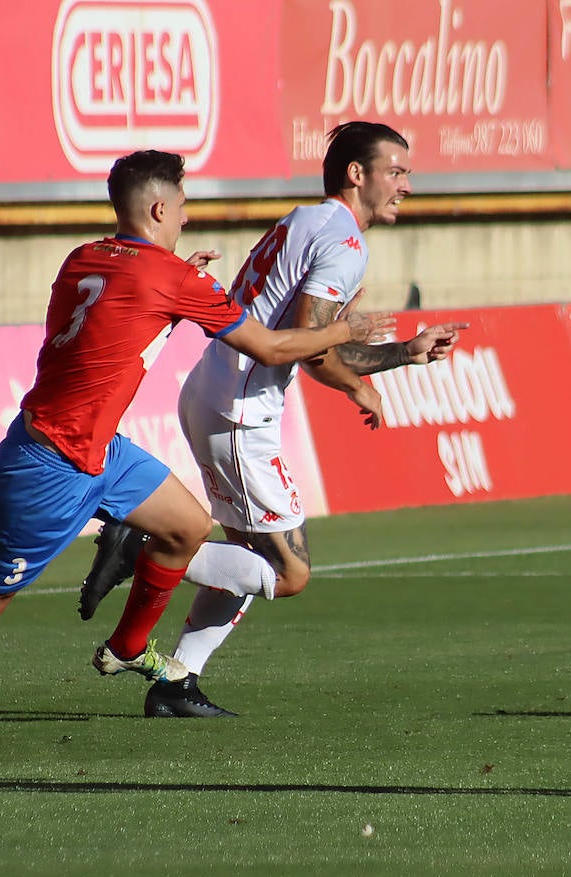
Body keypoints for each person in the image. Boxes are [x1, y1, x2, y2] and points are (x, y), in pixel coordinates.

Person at [0, 149, 393, 730]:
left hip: (99, 450)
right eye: (183, 208)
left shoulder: (84, 258)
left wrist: (179, 279)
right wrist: (349, 328)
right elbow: (269, 347)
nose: (186, 218)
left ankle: (132, 646)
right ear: (160, 207)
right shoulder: (171, 278)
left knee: (187, 528)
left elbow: (122, 310)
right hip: (49, 466)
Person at [76, 121, 467, 718]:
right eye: (397, 171)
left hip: (215, 391)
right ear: (355, 174)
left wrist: (401, 353)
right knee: (288, 573)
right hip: (239, 411)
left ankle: (176, 683)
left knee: (246, 562)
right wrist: (363, 384)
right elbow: (314, 346)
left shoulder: (304, 219)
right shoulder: (344, 244)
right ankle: (139, 546)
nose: (406, 185)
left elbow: (292, 326)